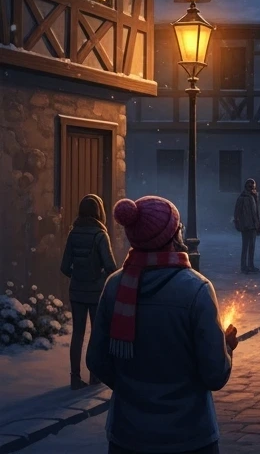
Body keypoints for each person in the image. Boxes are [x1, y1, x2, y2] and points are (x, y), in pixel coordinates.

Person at [87, 196, 237, 454]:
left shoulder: (115, 286)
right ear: (173, 236)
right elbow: (214, 374)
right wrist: (227, 347)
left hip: (128, 434)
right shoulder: (197, 289)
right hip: (189, 436)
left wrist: (133, 389)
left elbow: (97, 360)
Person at [60, 193, 116, 389]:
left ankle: (75, 377)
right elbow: (110, 266)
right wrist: (98, 277)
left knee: (77, 334)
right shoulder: (101, 235)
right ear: (99, 212)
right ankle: (94, 375)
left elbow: (64, 267)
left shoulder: (73, 234)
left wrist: (78, 275)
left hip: (76, 291)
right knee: (96, 333)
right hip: (96, 292)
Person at [234, 178, 260, 273]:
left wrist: (258, 224)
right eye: (250, 185)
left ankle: (250, 265)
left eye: (252, 185)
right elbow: (237, 212)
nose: (251, 187)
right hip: (246, 225)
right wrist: (238, 223)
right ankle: (244, 266)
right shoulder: (242, 198)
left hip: (253, 225)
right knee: (246, 246)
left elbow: (257, 212)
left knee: (251, 247)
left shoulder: (254, 197)